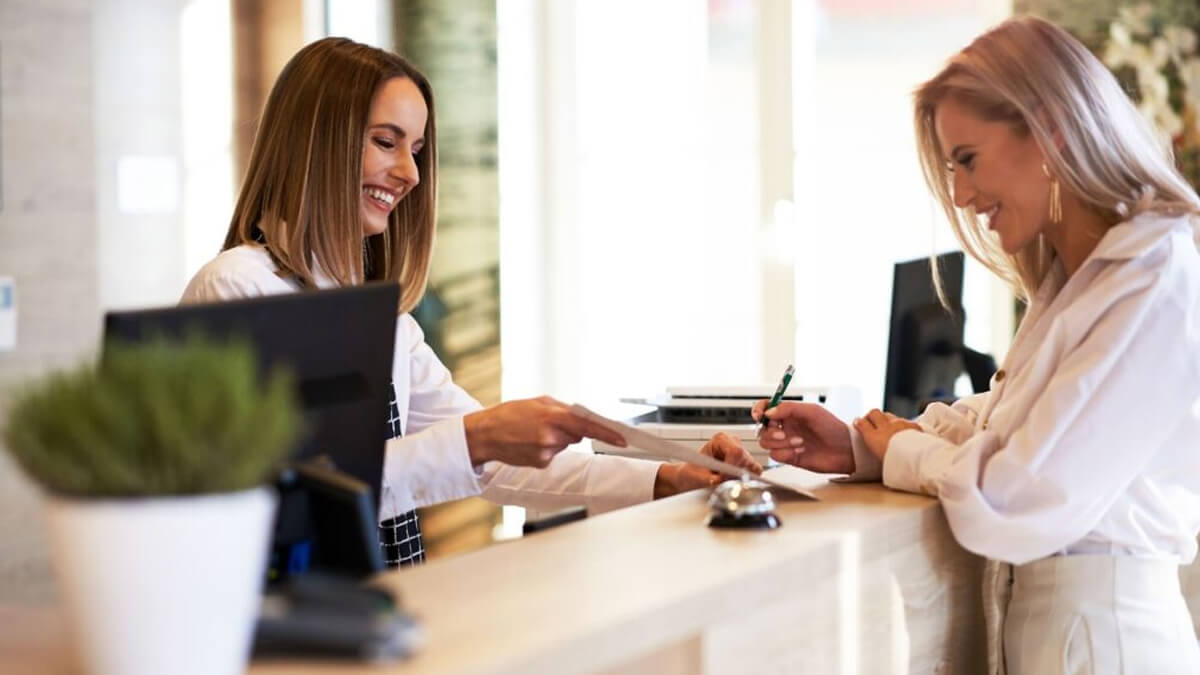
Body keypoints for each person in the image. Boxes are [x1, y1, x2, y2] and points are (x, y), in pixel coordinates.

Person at [182, 37, 760, 568]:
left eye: (416, 149)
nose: (408, 173)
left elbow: (492, 464)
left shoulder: (381, 319)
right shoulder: (237, 288)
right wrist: (476, 438)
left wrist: (668, 478)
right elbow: (285, 495)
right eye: (386, 142)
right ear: (318, 142)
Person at [750, 16, 1200, 675]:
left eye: (968, 159)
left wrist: (903, 449)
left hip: (1108, 646)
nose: (960, 194)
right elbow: (1007, 424)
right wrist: (860, 443)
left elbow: (1013, 498)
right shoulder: (1083, 280)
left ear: (1047, 130)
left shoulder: (1150, 278)